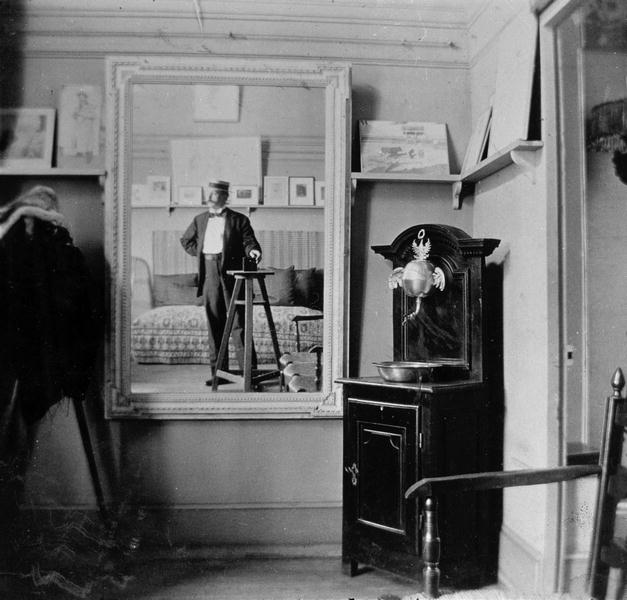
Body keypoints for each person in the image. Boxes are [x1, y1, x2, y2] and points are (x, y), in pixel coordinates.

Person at [180, 179, 262, 386]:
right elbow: (186, 241)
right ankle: (219, 373)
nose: (210, 198)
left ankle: (249, 375)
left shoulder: (239, 220)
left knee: (239, 324)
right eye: (209, 194)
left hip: (233, 274)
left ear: (226, 197)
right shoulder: (199, 220)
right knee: (215, 324)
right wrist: (201, 253)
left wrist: (253, 251)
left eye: (215, 194)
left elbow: (248, 241)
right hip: (209, 274)